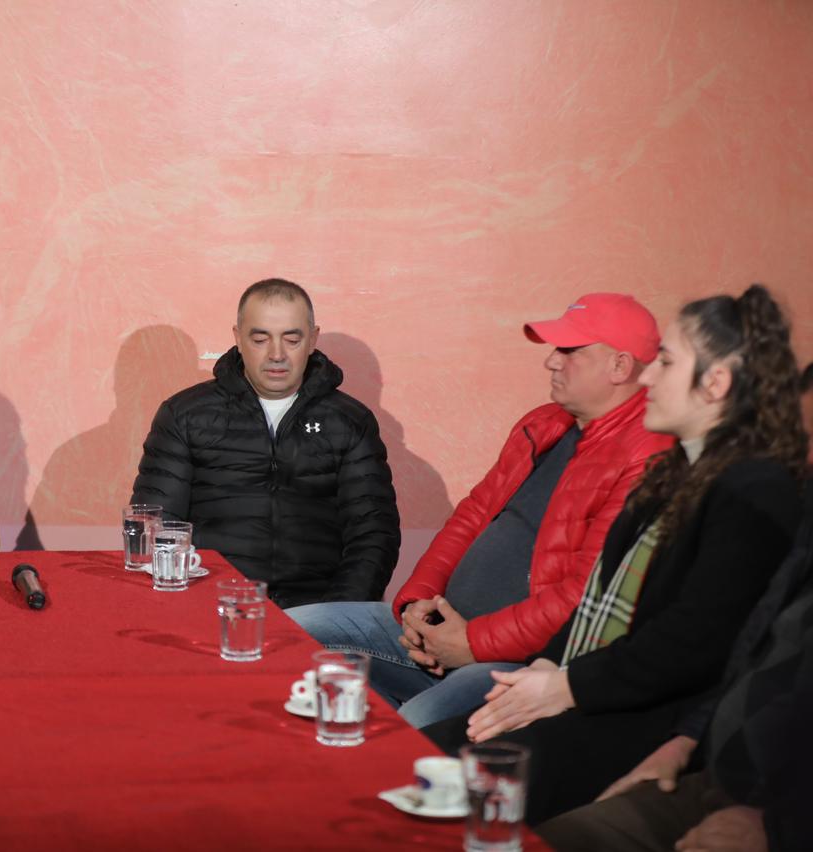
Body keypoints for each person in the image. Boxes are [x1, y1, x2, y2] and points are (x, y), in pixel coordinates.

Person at [421, 284, 807, 825]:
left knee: (435, 782)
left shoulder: (754, 491)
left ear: (715, 383)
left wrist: (563, 686)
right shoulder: (676, 474)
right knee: (411, 757)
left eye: (666, 362)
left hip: (638, 720)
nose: (646, 378)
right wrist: (544, 672)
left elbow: (694, 642)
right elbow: (596, 600)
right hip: (585, 689)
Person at [288, 293, 673, 727]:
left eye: (569, 350)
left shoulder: (647, 456)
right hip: (443, 627)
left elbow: (585, 595)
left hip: (519, 660)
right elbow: (471, 517)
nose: (551, 361)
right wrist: (417, 603)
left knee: (417, 722)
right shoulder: (543, 423)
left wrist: (471, 643)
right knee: (290, 629)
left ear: (620, 366)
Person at [536, 486, 813, 852]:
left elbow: (691, 638)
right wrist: (688, 740)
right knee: (544, 835)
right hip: (718, 769)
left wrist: (779, 828)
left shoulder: (761, 488)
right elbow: (752, 647)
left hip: (778, 810)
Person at [130, 278, 400, 608]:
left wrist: (336, 615)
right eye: (260, 339)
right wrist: (191, 608)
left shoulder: (349, 421)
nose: (277, 354)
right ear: (238, 338)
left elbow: (373, 536)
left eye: (292, 339)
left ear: (312, 340)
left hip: (319, 610)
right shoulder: (184, 415)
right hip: (212, 606)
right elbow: (158, 528)